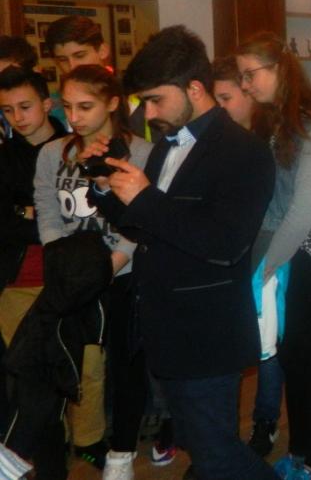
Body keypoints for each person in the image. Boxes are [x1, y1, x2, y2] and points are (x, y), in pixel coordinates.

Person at [89, 26, 277, 480]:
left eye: (156, 100)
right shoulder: (165, 147)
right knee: (203, 446)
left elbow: (225, 244)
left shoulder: (245, 152)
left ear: (194, 88)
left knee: (216, 455)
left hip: (207, 332)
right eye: (144, 102)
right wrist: (108, 189)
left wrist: (145, 198)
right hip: (165, 328)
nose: (149, 112)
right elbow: (147, 228)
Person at [236, 34, 311, 480]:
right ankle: (301, 451)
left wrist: (268, 265)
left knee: (307, 358)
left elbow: (304, 210)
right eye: (242, 76)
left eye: (251, 74)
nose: (246, 84)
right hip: (278, 250)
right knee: (289, 359)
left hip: (310, 254)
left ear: (279, 68)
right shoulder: (274, 121)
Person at [32, 65, 153, 480]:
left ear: (112, 103)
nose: (74, 117)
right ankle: (66, 441)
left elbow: (141, 219)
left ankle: (122, 451)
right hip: (72, 275)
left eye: (85, 107)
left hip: (122, 273)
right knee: (69, 359)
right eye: (67, 107)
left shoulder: (139, 152)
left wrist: (111, 264)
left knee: (125, 363)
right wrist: (61, 260)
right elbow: (47, 209)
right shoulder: (53, 153)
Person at [0, 67, 67, 459]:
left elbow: (79, 218)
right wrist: (43, 216)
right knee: (28, 375)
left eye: (24, 107)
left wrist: (28, 211)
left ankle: (83, 443)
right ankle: (44, 457)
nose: (17, 117)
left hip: (68, 275)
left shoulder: (71, 148)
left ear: (46, 103)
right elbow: (4, 225)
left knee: (77, 371)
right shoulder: (6, 157)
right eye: (7, 110)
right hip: (17, 279)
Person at [212, 56, 255, 130]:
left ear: (249, 93)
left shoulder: (273, 132)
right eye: (217, 101)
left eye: (225, 98)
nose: (220, 107)